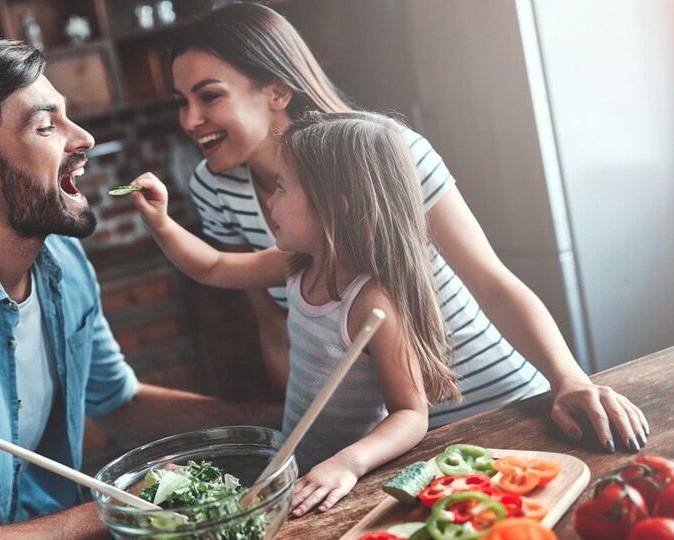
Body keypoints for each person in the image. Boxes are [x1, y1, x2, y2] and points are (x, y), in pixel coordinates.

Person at [0, 40, 280, 539]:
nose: (82, 138)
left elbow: (119, 402)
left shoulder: (62, 261)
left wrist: (282, 426)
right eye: (47, 125)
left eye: (68, 117)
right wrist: (122, 508)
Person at [170, 2, 647, 451]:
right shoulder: (214, 187)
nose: (190, 120)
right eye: (181, 101)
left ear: (276, 89)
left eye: (209, 96)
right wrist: (309, 441)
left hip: (496, 404)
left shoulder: (389, 151)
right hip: (383, 447)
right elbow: (276, 330)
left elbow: (492, 283)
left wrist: (570, 380)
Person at [129, 110, 463, 516]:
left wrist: (346, 465)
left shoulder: (371, 303)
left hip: (346, 487)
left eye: (283, 188)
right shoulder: (298, 265)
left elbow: (411, 414)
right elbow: (213, 266)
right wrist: (161, 223)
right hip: (298, 473)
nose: (270, 201)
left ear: (334, 209)